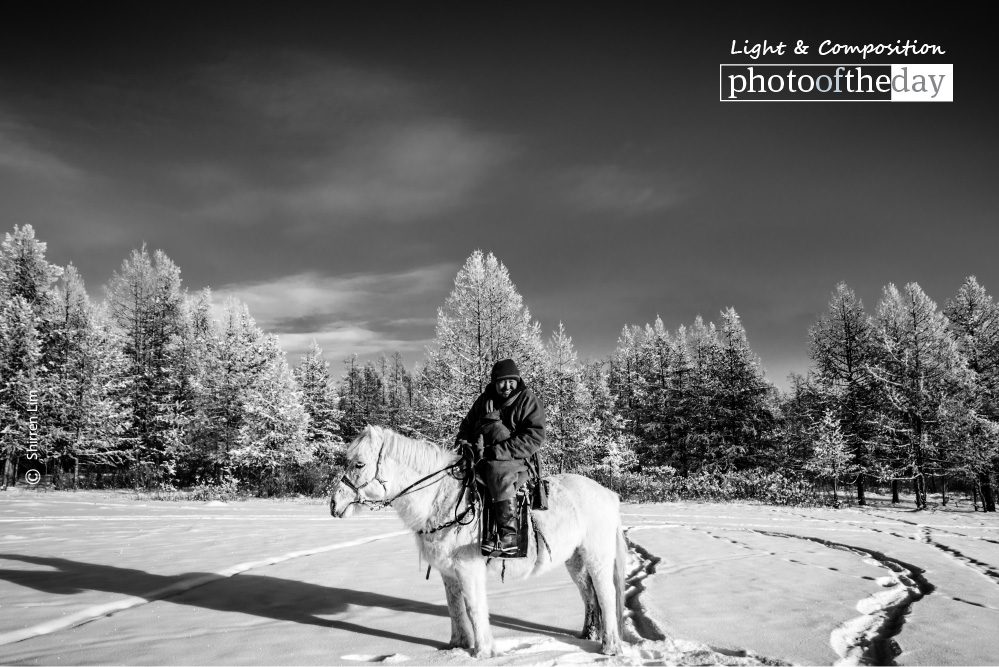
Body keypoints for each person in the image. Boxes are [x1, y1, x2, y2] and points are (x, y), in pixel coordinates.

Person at [455, 358, 545, 557]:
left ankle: (508, 535)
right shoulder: (485, 400)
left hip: (519, 457)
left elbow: (534, 437)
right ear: (494, 382)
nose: (507, 386)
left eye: (511, 381)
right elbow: (467, 425)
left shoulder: (527, 399)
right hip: (485, 454)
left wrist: (496, 452)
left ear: (517, 379)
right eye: (502, 382)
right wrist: (464, 442)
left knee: (498, 472)